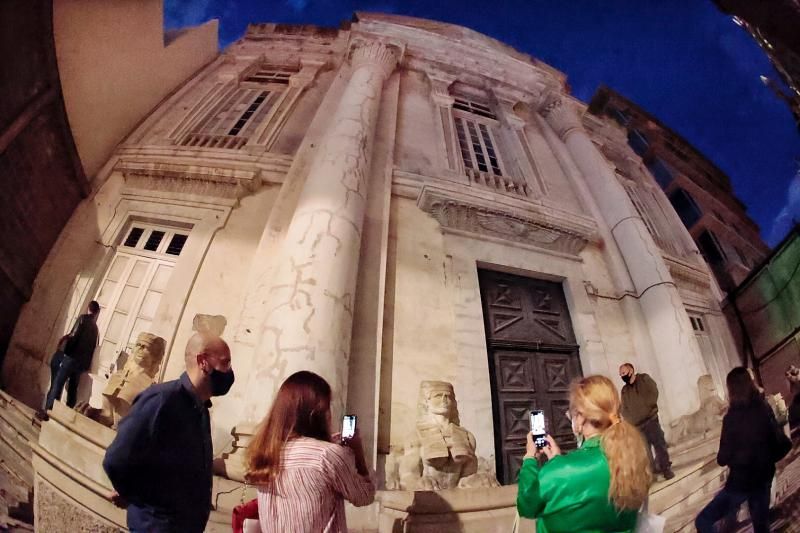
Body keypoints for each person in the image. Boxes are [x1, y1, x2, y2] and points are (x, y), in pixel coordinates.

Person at [103, 332, 235, 533]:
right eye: (225, 363)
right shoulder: (162, 400)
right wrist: (133, 494)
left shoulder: (200, 410)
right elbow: (117, 458)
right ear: (203, 362)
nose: (229, 371)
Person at [517, 375, 651, 532]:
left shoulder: (557, 471)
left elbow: (527, 505)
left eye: (571, 414)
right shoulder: (632, 459)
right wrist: (559, 462)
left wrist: (529, 460)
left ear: (580, 419)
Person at [245, 371, 375, 533]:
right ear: (317, 414)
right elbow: (364, 496)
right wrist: (358, 453)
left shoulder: (265, 451)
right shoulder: (327, 455)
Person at [695, 367, 792, 533]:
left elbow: (722, 458)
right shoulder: (763, 408)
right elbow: (776, 440)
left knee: (703, 520)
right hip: (763, 478)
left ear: (731, 390)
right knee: (761, 527)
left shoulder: (731, 418)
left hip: (739, 483)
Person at [38, 301, 100, 418]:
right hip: (81, 364)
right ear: (96, 312)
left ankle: (48, 412)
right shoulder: (95, 329)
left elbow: (74, 335)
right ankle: (67, 416)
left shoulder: (83, 319)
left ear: (88, 308)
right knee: (72, 390)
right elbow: (92, 349)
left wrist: (66, 352)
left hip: (71, 359)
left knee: (58, 384)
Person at [619, 363, 674, 479]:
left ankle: (666, 469)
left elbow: (653, 392)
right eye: (620, 374)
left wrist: (646, 409)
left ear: (631, 371)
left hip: (651, 420)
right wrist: (631, 419)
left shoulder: (644, 379)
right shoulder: (624, 390)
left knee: (659, 446)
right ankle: (652, 473)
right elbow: (624, 408)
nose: (622, 376)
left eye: (623, 373)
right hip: (637, 426)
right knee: (645, 452)